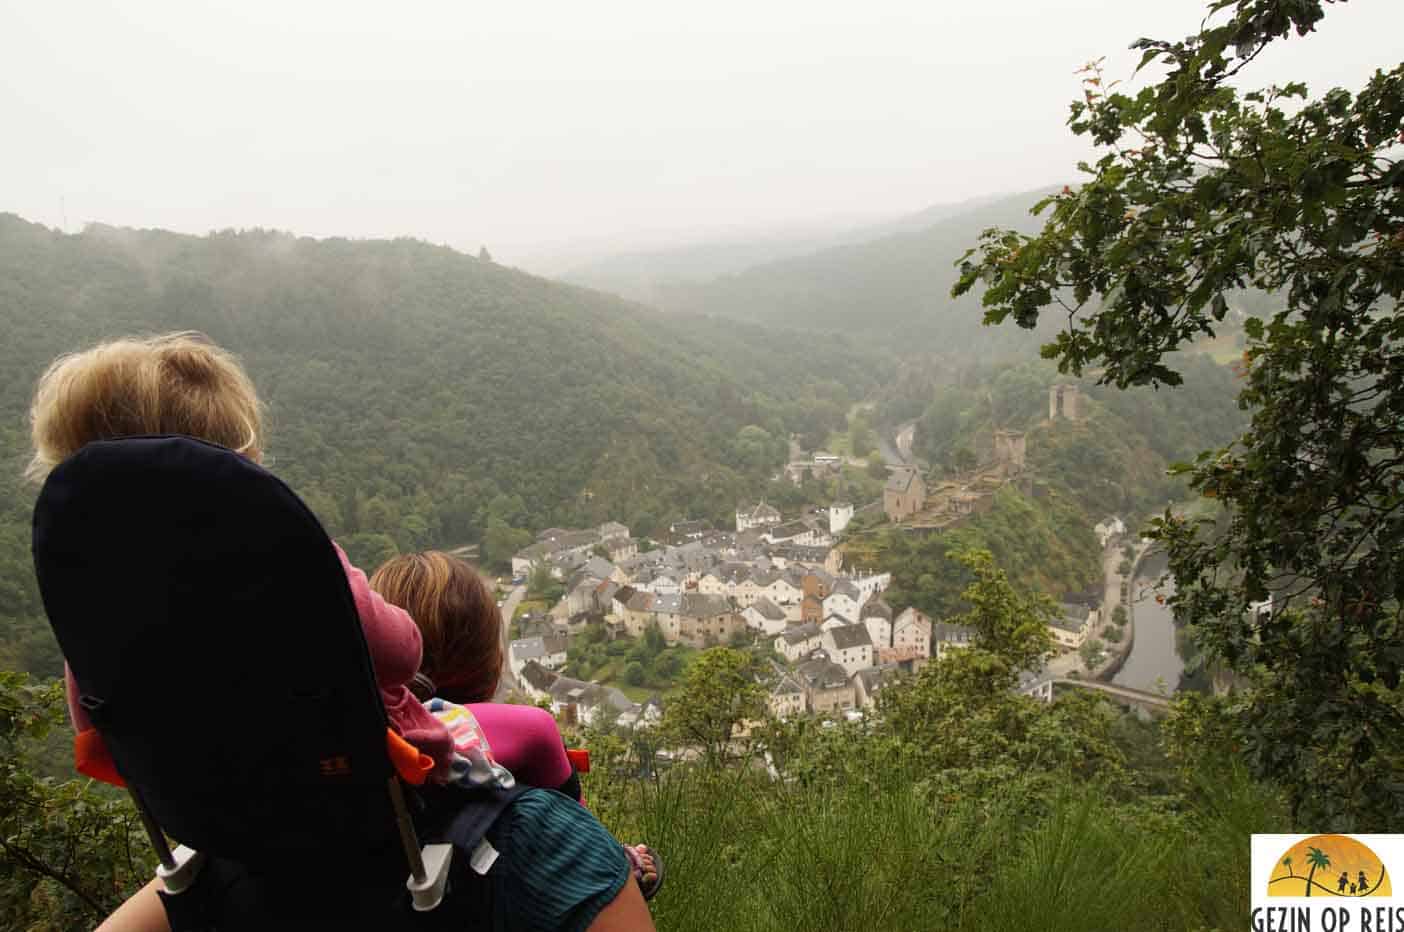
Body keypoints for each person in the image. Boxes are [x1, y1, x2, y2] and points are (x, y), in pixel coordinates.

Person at [29, 334, 654, 932]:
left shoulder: (101, 613)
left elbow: (96, 727)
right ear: (234, 457)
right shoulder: (292, 564)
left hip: (231, 827)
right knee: (586, 858)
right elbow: (402, 650)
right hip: (374, 810)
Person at [369, 551, 663, 898]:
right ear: (485, 657)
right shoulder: (523, 729)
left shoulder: (366, 729)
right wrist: (616, 858)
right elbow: (577, 827)